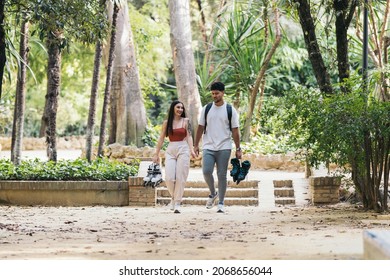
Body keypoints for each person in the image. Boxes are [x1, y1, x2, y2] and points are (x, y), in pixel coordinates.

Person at [194, 81, 242, 213]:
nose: (214, 96)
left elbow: (235, 130)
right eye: (213, 94)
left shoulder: (230, 110)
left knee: (222, 175)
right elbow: (200, 127)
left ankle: (221, 202)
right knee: (206, 171)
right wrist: (196, 144)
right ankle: (212, 193)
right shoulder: (207, 108)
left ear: (223, 93)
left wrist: (238, 148)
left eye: (217, 93)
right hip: (208, 145)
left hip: (224, 146)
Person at [153, 100, 196, 214]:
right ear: (173, 108)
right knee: (169, 178)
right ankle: (174, 197)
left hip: (183, 148)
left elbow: (189, 136)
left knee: (181, 177)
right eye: (178, 107)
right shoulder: (167, 123)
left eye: (182, 108)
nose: (180, 110)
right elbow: (162, 138)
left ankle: (177, 202)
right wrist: (156, 153)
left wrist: (192, 150)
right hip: (171, 149)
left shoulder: (186, 121)